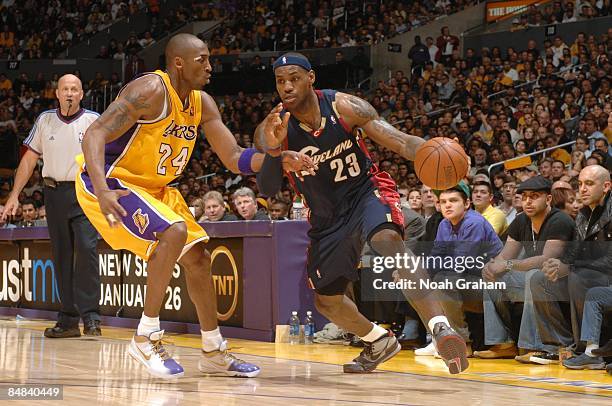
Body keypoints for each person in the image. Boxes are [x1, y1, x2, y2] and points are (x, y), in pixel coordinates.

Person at [75, 34, 314, 379]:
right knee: (175, 231)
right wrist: (101, 188)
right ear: (178, 63)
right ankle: (146, 335)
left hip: (156, 188)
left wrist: (279, 159)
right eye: (202, 59)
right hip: (113, 182)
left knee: (199, 258)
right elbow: (94, 133)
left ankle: (213, 349)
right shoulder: (150, 90)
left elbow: (234, 158)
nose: (210, 66)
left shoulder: (203, 103)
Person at [256, 52, 469, 375]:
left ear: (311, 78)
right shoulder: (274, 125)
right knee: (327, 302)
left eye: (294, 78)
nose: (286, 86)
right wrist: (274, 151)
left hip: (364, 192)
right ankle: (378, 340)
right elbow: (268, 188)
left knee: (387, 241)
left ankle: (440, 328)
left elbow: (400, 142)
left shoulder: (344, 106)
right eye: (280, 81)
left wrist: (433, 151)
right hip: (326, 217)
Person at [1, 74, 102, 338]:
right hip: (54, 193)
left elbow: (109, 157)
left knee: (87, 248)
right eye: (65, 89)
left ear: (82, 94)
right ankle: (68, 320)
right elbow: (29, 160)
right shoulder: (44, 120)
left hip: (84, 192)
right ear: (56, 93)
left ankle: (91, 317)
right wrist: (14, 195)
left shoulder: (94, 120)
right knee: (62, 256)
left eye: (74, 89)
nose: (69, 93)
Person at [476, 176, 575, 362]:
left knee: (533, 275)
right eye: (525, 196)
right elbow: (505, 256)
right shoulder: (521, 221)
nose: (528, 201)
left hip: (564, 281)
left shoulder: (560, 220)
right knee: (492, 278)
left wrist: (507, 265)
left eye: (534, 196)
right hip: (537, 281)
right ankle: (503, 344)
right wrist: (491, 267)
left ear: (548, 199)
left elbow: (546, 260)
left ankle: (538, 346)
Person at [531, 165, 612, 365]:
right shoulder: (584, 213)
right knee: (539, 279)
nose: (582, 189)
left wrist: (571, 267)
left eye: (589, 184)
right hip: (588, 271)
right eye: (580, 184)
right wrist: (559, 263)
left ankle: (584, 347)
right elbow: (574, 251)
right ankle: (557, 345)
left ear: (606, 186)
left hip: (606, 276)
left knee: (578, 278)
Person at [415, 182, 503, 357]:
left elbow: (461, 262)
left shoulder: (474, 223)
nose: (448, 205)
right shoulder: (444, 225)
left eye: (453, 200)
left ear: (467, 204)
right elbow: (436, 257)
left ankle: (461, 343)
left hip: (493, 283)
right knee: (411, 282)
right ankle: (439, 337)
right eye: (444, 201)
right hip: (466, 280)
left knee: (443, 281)